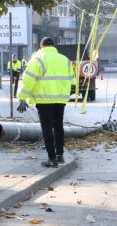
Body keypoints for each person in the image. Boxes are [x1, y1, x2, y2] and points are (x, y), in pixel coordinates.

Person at [17, 37, 74, 168]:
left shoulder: (37, 59)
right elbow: (72, 81)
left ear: (41, 46)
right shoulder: (64, 60)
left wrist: (22, 98)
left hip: (44, 100)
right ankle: (60, 155)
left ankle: (52, 159)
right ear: (53, 46)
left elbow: (28, 81)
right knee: (58, 126)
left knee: (47, 129)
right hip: (60, 99)